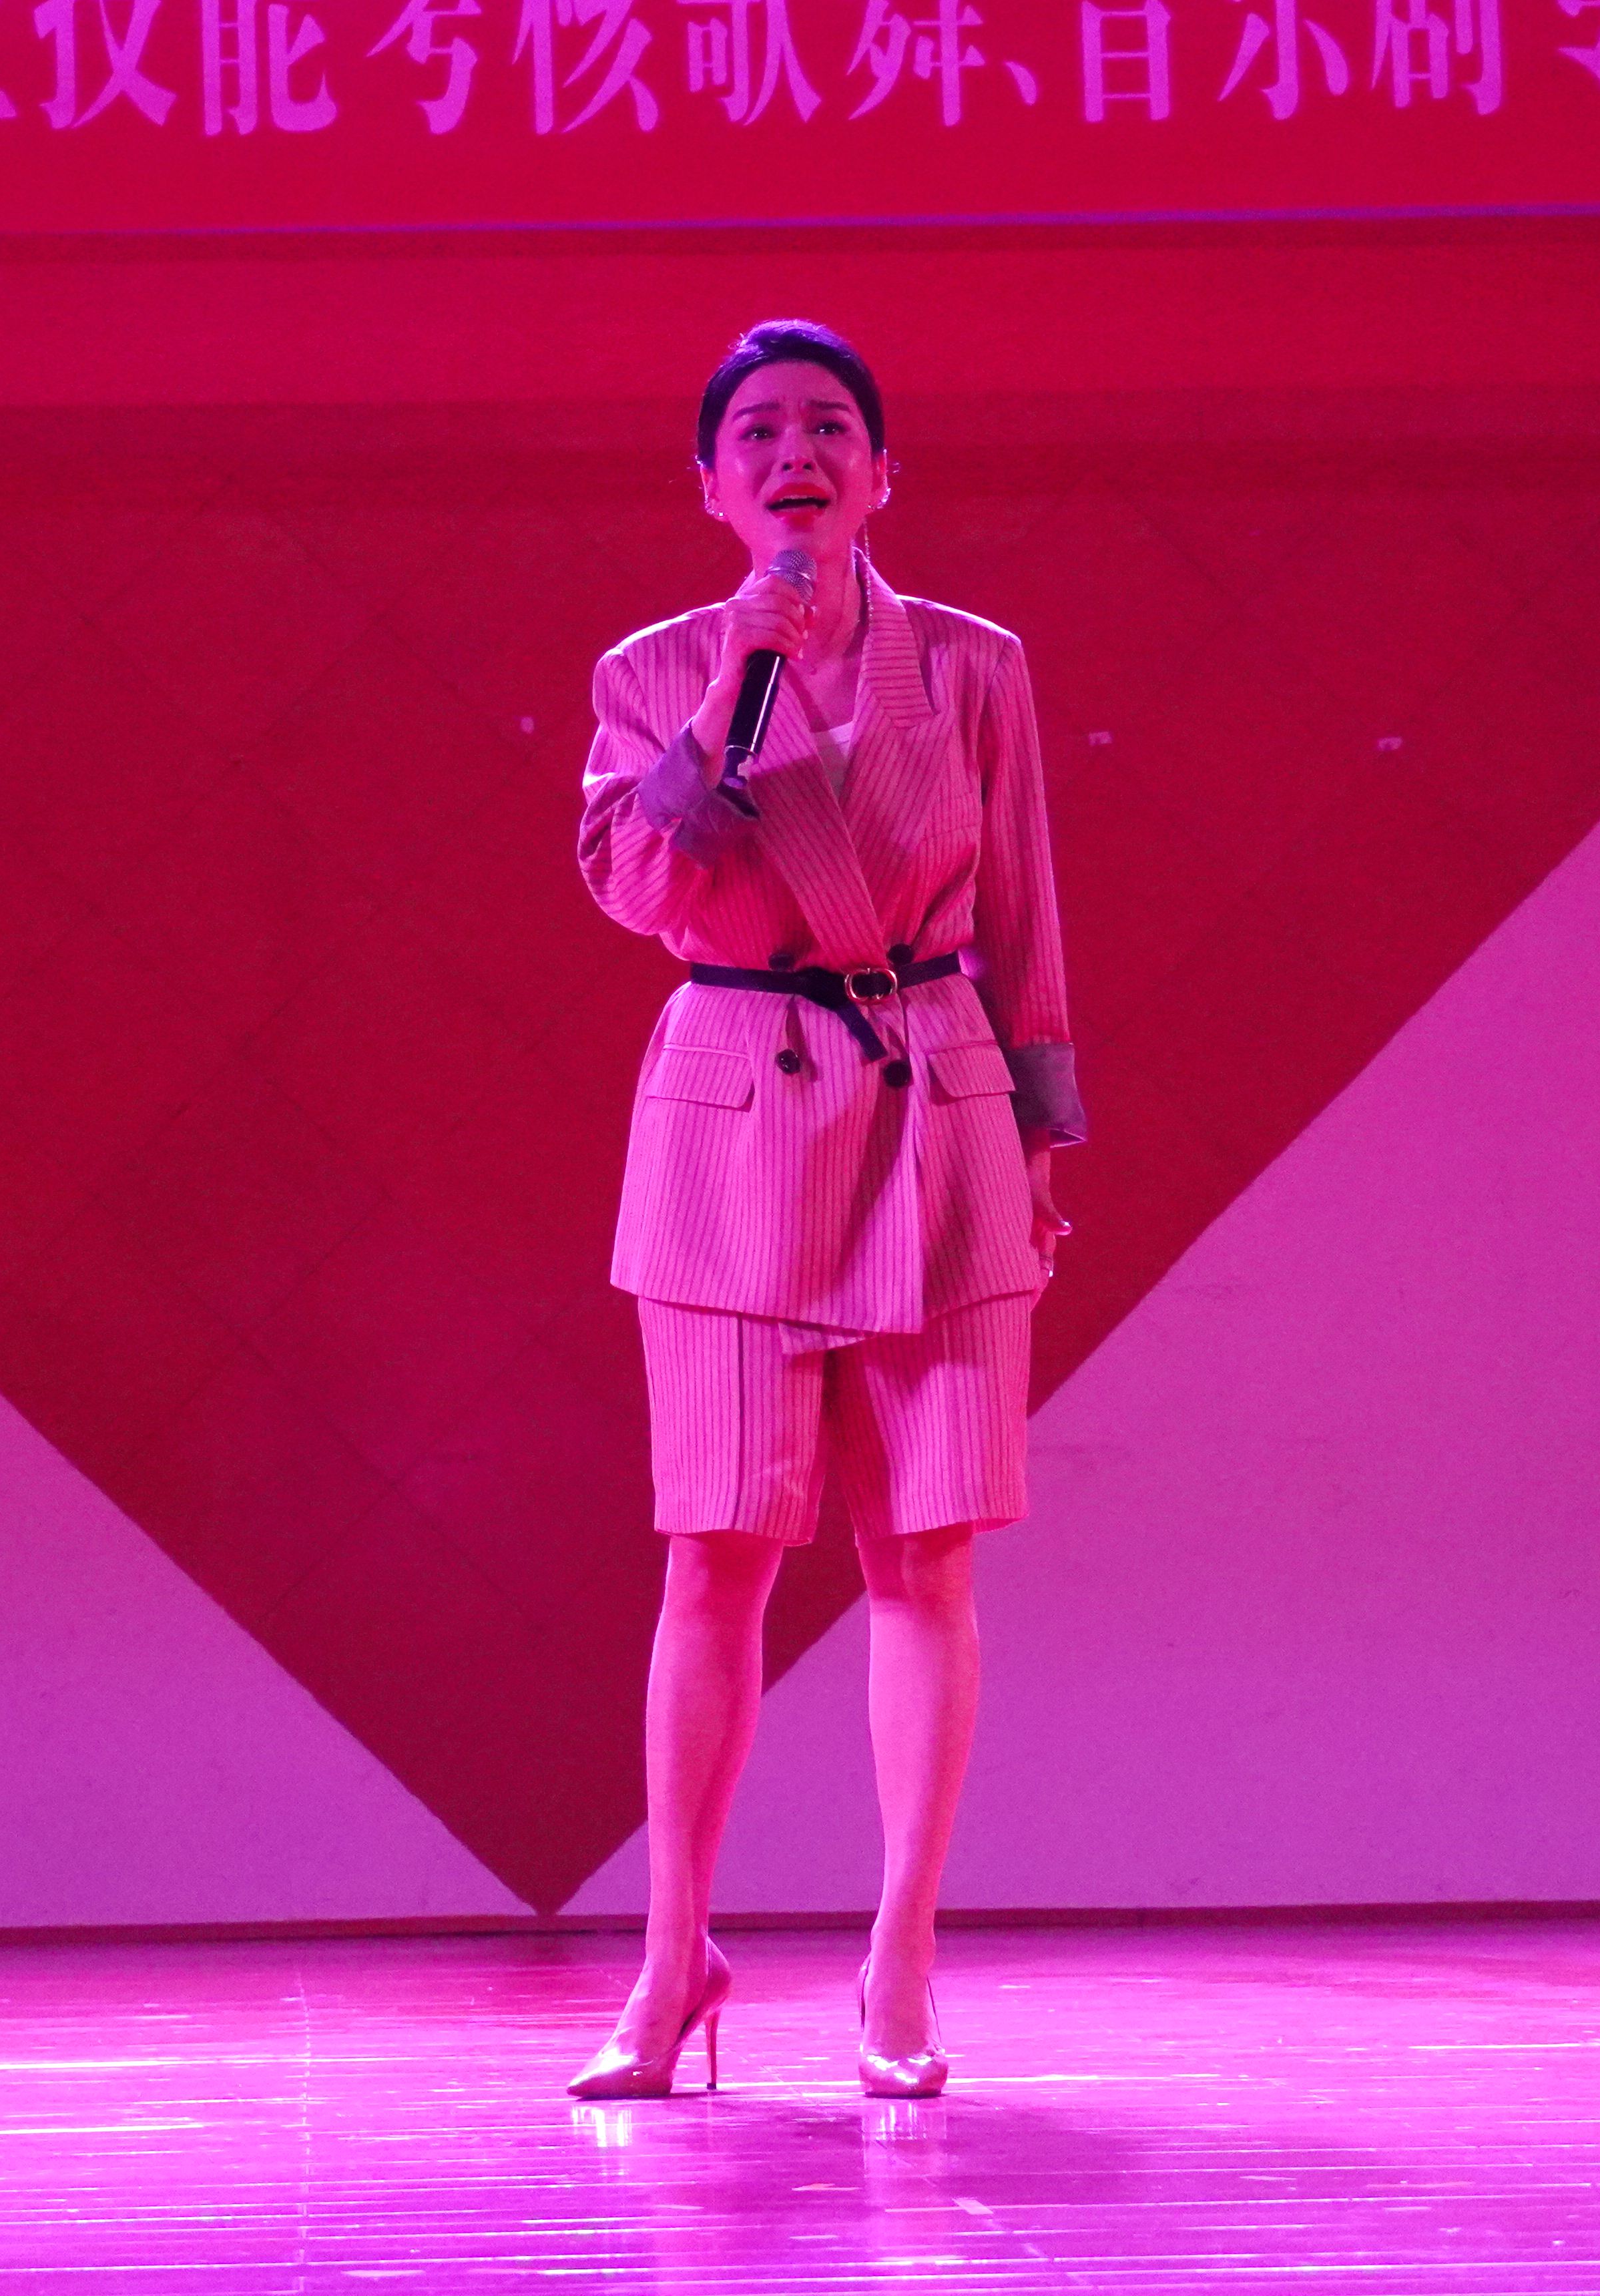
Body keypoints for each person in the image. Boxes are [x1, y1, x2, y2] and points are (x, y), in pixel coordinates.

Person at [566, 318, 1083, 2101]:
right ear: (712, 485)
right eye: (761, 433)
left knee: (922, 1556)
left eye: (830, 428)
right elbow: (642, 885)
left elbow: (1023, 910)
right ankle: (672, 1962)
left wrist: (1040, 1137)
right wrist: (741, 683)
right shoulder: (651, 673)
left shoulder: (976, 667)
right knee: (716, 1553)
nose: (797, 453)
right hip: (732, 1117)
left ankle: (901, 1959)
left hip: (936, 1107)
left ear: (880, 474)